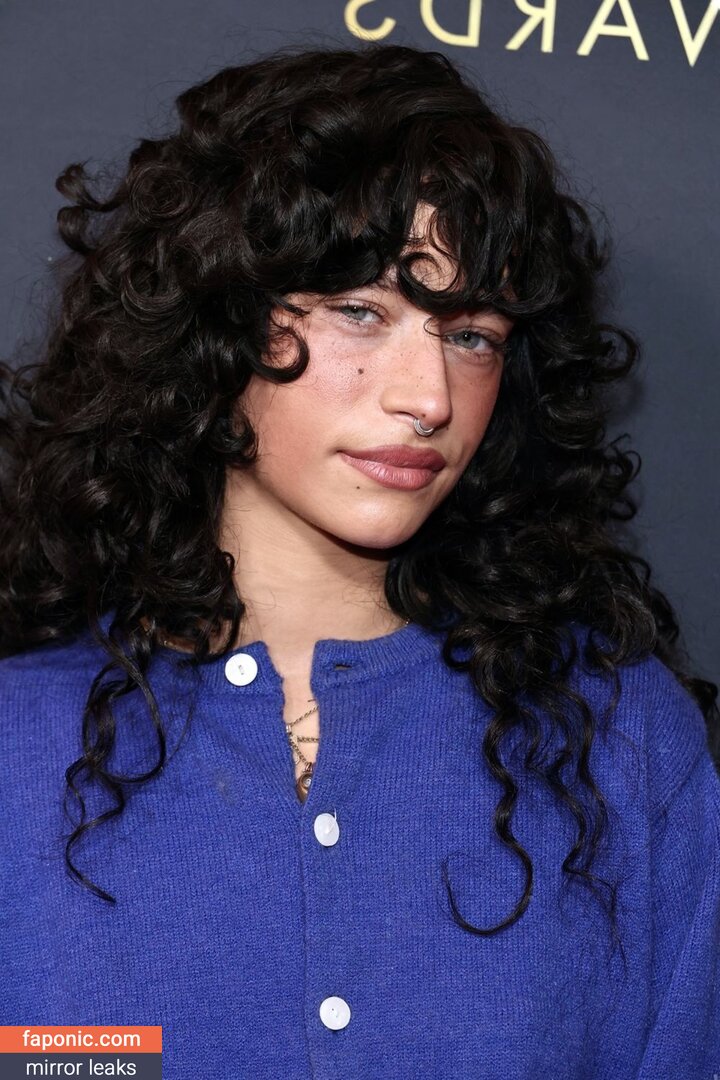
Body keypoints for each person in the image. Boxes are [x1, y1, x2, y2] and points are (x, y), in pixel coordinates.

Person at [0, 41, 718, 1080]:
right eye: (360, 312)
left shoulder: (620, 740)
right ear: (220, 319)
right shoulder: (19, 743)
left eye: (472, 335)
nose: (427, 397)